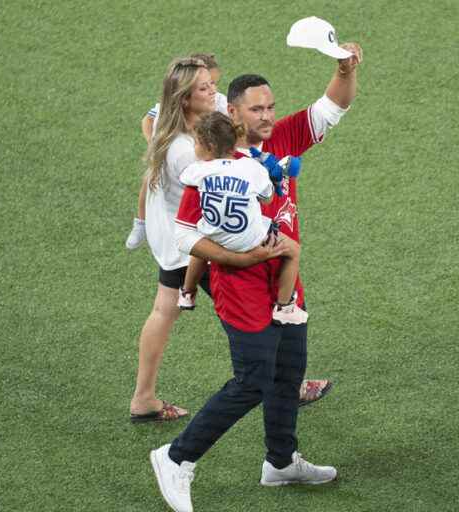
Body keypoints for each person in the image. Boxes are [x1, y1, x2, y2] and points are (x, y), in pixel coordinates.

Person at [150, 40, 362, 511]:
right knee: (252, 380)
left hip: (287, 284)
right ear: (232, 111)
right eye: (256, 109)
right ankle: (176, 456)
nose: (267, 116)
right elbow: (191, 239)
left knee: (288, 372)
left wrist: (345, 69)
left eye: (270, 107)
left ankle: (281, 462)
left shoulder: (282, 139)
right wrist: (241, 261)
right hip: (242, 289)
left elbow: (334, 105)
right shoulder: (208, 167)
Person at [176, 111, 307, 326]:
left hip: (216, 237)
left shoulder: (195, 171)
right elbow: (267, 199)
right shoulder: (251, 167)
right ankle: (285, 307)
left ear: (208, 147)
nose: (194, 147)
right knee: (293, 251)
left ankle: (187, 293)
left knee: (203, 240)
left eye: (196, 143)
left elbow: (185, 179)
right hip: (252, 241)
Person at [126, 53, 227, 251]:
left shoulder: (211, 107)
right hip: (192, 243)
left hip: (183, 240)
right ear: (184, 98)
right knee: (149, 180)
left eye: (213, 83)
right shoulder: (183, 151)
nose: (213, 90)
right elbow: (210, 199)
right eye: (205, 86)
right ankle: (140, 223)